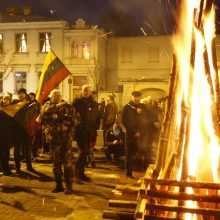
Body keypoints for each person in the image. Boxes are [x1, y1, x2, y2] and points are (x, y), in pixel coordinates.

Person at [40, 89, 78, 194]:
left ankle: (69, 186)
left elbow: (77, 119)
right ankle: (58, 185)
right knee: (56, 163)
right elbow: (44, 113)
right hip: (54, 140)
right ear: (51, 97)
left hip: (66, 139)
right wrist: (57, 106)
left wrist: (70, 123)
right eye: (55, 95)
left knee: (68, 163)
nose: (57, 96)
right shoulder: (47, 106)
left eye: (59, 95)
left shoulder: (68, 106)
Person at [72, 85, 100, 182]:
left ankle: (81, 172)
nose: (86, 92)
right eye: (84, 90)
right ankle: (76, 171)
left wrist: (95, 128)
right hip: (80, 130)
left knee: (86, 152)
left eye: (88, 91)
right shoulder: (76, 102)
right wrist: (77, 127)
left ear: (90, 92)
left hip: (90, 131)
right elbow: (73, 116)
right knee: (84, 151)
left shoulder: (94, 103)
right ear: (81, 91)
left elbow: (97, 116)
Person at [121, 91, 146, 178]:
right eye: (135, 97)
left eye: (138, 97)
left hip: (141, 134)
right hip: (131, 135)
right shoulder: (126, 108)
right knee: (129, 153)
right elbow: (124, 122)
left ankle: (138, 169)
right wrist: (134, 132)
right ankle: (129, 173)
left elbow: (145, 120)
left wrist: (141, 132)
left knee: (140, 152)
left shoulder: (142, 107)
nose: (137, 98)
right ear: (132, 97)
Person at [13, 88, 35, 173]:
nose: (21, 95)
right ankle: (17, 167)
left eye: (22, 93)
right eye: (19, 93)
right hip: (16, 130)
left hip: (26, 130)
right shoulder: (14, 103)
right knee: (17, 149)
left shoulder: (29, 104)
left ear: (25, 94)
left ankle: (29, 166)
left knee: (27, 149)